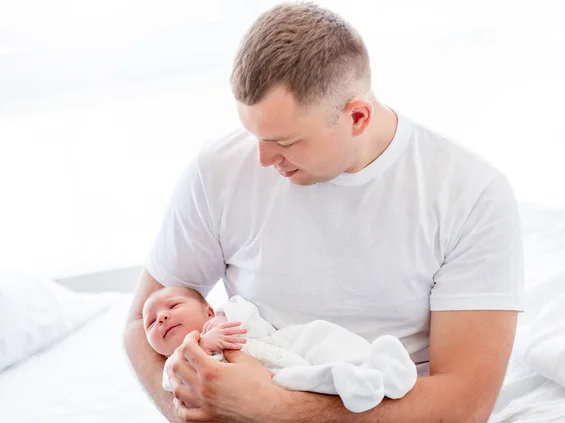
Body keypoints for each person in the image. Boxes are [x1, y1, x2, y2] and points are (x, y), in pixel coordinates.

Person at [124, 2, 524, 422]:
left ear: (357, 117)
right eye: (252, 133)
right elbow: (140, 320)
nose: (261, 159)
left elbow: (466, 404)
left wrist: (274, 410)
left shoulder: (471, 195)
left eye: (286, 141)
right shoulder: (218, 170)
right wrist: (193, 408)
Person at [143, 286, 418, 413]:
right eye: (151, 322)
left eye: (173, 306)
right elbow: (178, 386)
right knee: (306, 379)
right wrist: (202, 346)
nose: (163, 317)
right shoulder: (174, 365)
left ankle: (378, 365)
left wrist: (223, 320)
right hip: (274, 378)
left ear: (209, 309)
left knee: (320, 333)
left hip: (284, 344)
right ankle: (352, 382)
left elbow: (247, 312)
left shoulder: (228, 315)